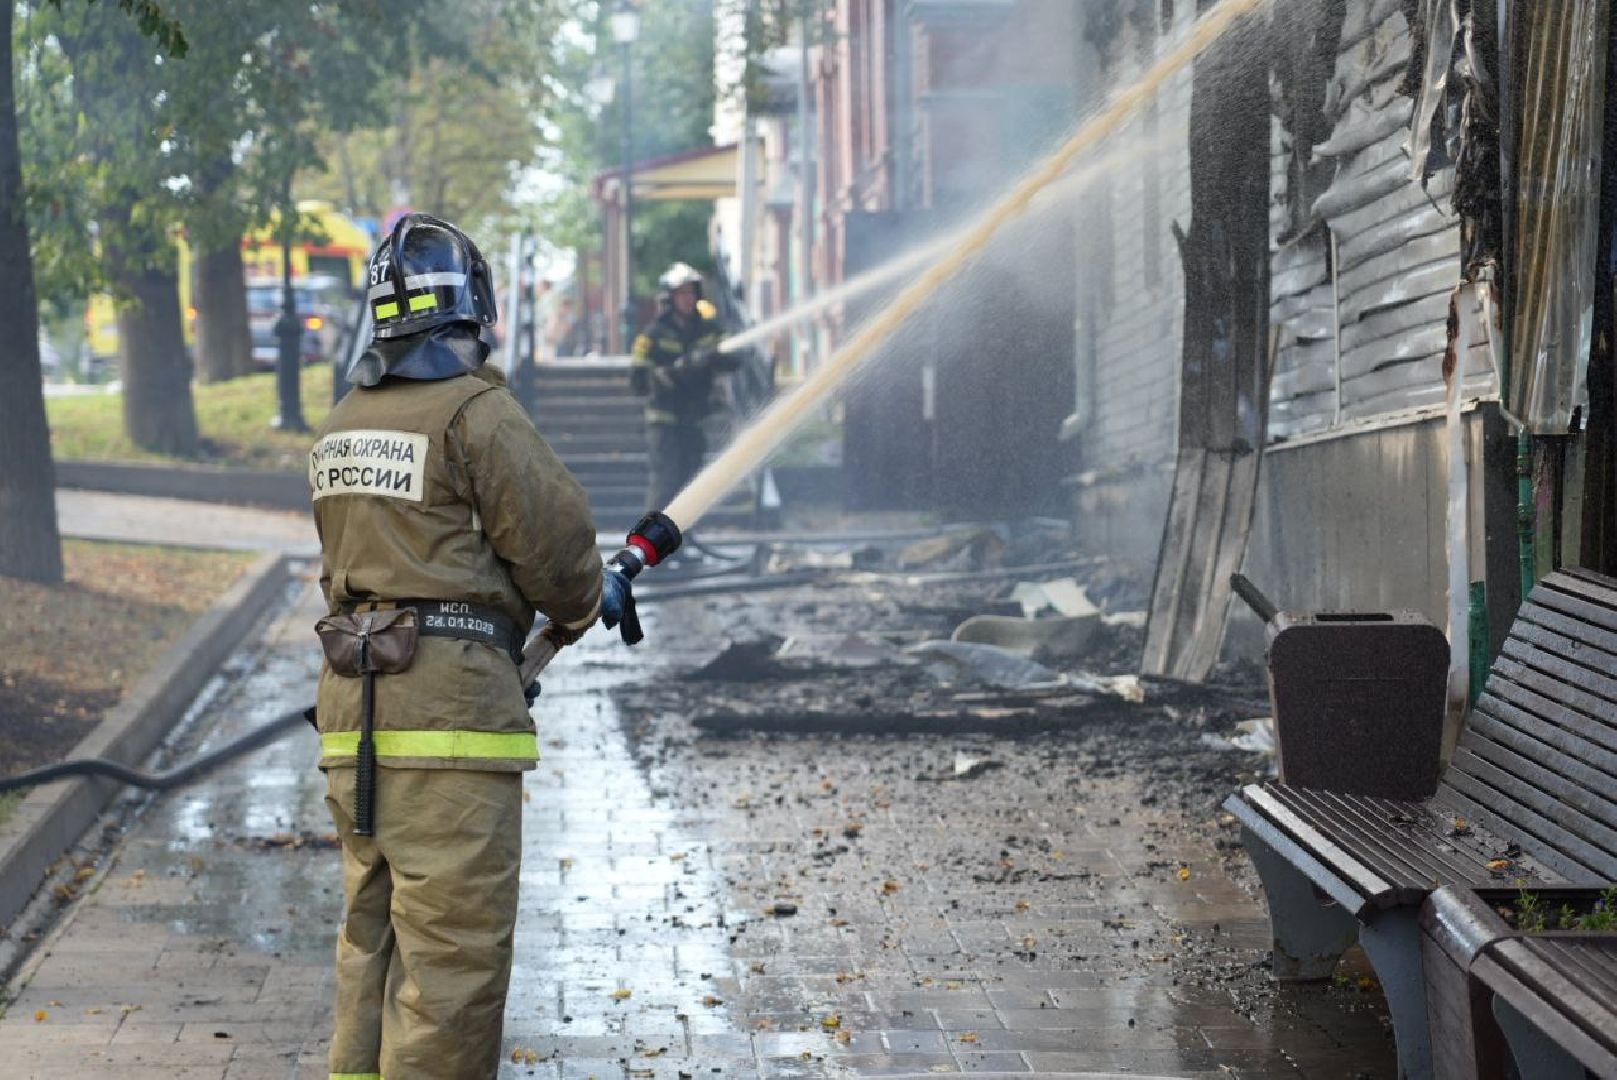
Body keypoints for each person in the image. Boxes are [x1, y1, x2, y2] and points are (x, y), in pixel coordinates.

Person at [309, 213, 609, 1080]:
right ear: (473, 306)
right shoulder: (475, 411)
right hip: (448, 734)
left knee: (370, 946)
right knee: (450, 968)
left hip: (352, 727)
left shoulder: (341, 423)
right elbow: (558, 555)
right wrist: (582, 599)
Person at [629, 263, 739, 511]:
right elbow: (638, 381)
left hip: (693, 419)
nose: (688, 299)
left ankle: (680, 542)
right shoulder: (653, 335)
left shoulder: (708, 330)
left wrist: (711, 356)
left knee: (689, 486)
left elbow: (734, 360)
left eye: (691, 293)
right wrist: (671, 373)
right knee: (666, 483)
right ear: (670, 297)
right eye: (682, 293)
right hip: (665, 421)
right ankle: (652, 546)